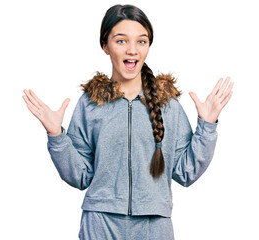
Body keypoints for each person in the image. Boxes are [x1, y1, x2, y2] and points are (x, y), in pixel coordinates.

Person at [22, 4, 233, 240]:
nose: (132, 50)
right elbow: (79, 176)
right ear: (105, 46)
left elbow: (186, 172)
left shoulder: (169, 105)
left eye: (141, 41)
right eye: (121, 41)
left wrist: (208, 125)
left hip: (154, 226)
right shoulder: (90, 103)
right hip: (100, 223)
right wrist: (56, 136)